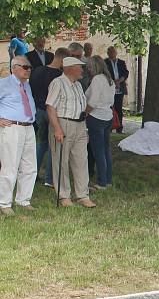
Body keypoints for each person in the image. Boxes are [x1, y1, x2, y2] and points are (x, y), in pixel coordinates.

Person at [46, 57, 95, 208]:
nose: (82, 70)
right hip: (63, 122)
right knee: (61, 160)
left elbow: (82, 108)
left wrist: (85, 129)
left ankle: (82, 195)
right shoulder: (58, 83)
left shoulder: (78, 85)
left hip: (79, 124)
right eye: (79, 67)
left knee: (81, 160)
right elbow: (50, 107)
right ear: (70, 68)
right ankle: (64, 196)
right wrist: (57, 129)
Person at [0, 57, 37, 215]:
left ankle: (23, 200)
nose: (28, 69)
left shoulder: (27, 85)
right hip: (12, 128)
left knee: (30, 166)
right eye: (25, 67)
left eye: (30, 67)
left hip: (28, 127)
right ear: (14, 67)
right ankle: (4, 203)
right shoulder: (4, 83)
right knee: (10, 166)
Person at [29, 47, 67, 187]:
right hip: (52, 112)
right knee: (54, 146)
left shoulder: (37, 70)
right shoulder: (59, 76)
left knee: (41, 143)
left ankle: (33, 174)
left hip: (38, 110)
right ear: (62, 59)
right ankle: (49, 179)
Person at [85, 56, 116, 190]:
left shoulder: (97, 79)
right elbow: (112, 101)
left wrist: (84, 113)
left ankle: (102, 182)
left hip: (96, 117)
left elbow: (93, 101)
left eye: (90, 67)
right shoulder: (110, 81)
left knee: (98, 151)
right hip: (107, 117)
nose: (89, 69)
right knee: (105, 149)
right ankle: (107, 179)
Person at [104, 46, 129, 133]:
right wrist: (113, 82)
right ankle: (110, 128)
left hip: (119, 89)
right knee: (109, 109)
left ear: (116, 53)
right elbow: (105, 74)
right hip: (109, 89)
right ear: (107, 53)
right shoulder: (105, 62)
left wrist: (119, 81)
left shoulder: (121, 62)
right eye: (109, 52)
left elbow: (126, 73)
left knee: (119, 109)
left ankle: (119, 128)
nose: (111, 53)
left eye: (113, 52)